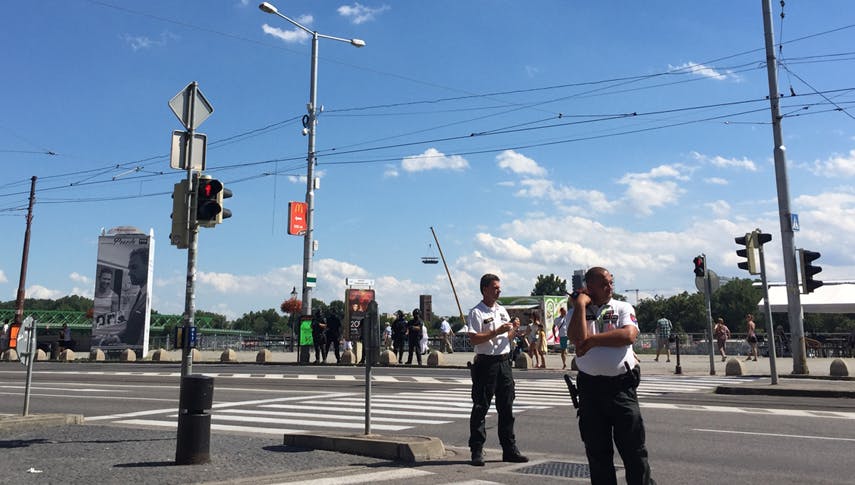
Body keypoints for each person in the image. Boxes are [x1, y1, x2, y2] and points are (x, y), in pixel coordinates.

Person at [568, 267, 654, 485]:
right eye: (604, 283)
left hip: (621, 387)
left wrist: (593, 340)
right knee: (597, 453)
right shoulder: (577, 312)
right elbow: (578, 339)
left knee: (634, 451)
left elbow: (628, 335)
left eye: (611, 282)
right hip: (590, 389)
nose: (610, 287)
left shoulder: (622, 306)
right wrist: (579, 305)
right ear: (590, 288)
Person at [467, 273, 528, 466]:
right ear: (485, 289)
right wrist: (496, 331)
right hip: (486, 364)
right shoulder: (477, 312)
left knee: (507, 407)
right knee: (480, 407)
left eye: (499, 287)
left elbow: (506, 339)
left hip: (504, 363)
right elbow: (474, 339)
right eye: (495, 287)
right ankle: (477, 450)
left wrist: (513, 330)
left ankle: (509, 449)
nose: (499, 290)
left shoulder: (501, 310)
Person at [119, 247, 148, 346]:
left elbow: (142, 334)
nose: (130, 273)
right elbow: (132, 327)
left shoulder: (146, 297)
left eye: (134, 267)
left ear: (148, 266)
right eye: (129, 268)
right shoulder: (140, 294)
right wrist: (117, 337)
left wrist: (130, 347)